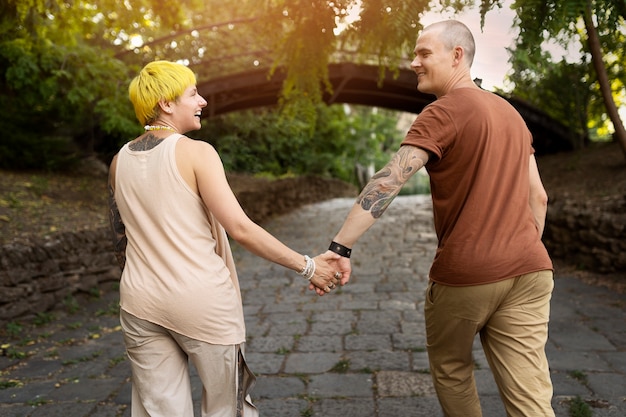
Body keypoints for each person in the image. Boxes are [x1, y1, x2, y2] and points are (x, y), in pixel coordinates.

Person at [322, 20, 555, 417]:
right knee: (530, 393)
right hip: (531, 271)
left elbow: (390, 180)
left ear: (457, 55)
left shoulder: (442, 111)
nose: (413, 62)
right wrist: (522, 248)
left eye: (424, 53)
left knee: (452, 368)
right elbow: (539, 197)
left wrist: (339, 247)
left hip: (467, 274)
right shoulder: (511, 114)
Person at [107, 60, 342, 417]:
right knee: (225, 409)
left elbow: (120, 238)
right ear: (166, 104)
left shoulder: (118, 161)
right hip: (201, 301)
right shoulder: (197, 152)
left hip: (139, 302)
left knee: (160, 411)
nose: (202, 101)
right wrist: (309, 267)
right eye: (193, 94)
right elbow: (240, 228)